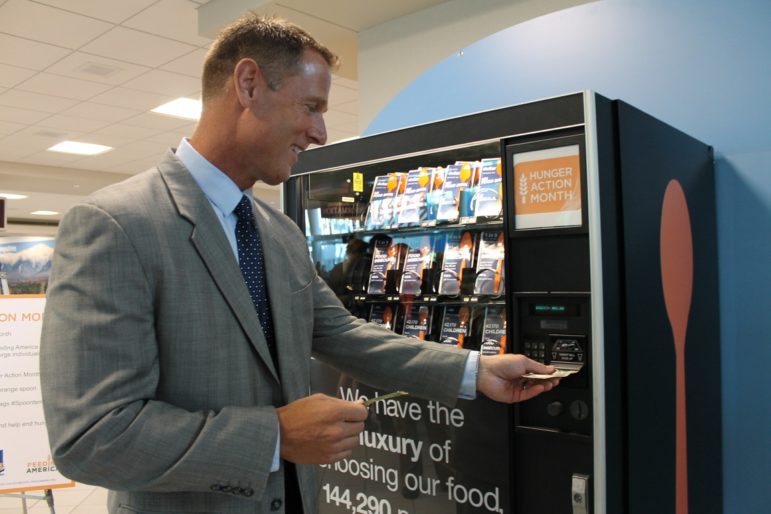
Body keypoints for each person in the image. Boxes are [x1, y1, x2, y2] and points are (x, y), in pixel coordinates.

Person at [38, 13, 559, 514]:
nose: (321, 133)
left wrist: (477, 370)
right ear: (248, 85)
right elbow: (92, 436)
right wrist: (276, 436)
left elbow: (343, 336)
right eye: (311, 106)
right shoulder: (115, 225)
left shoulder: (278, 232)